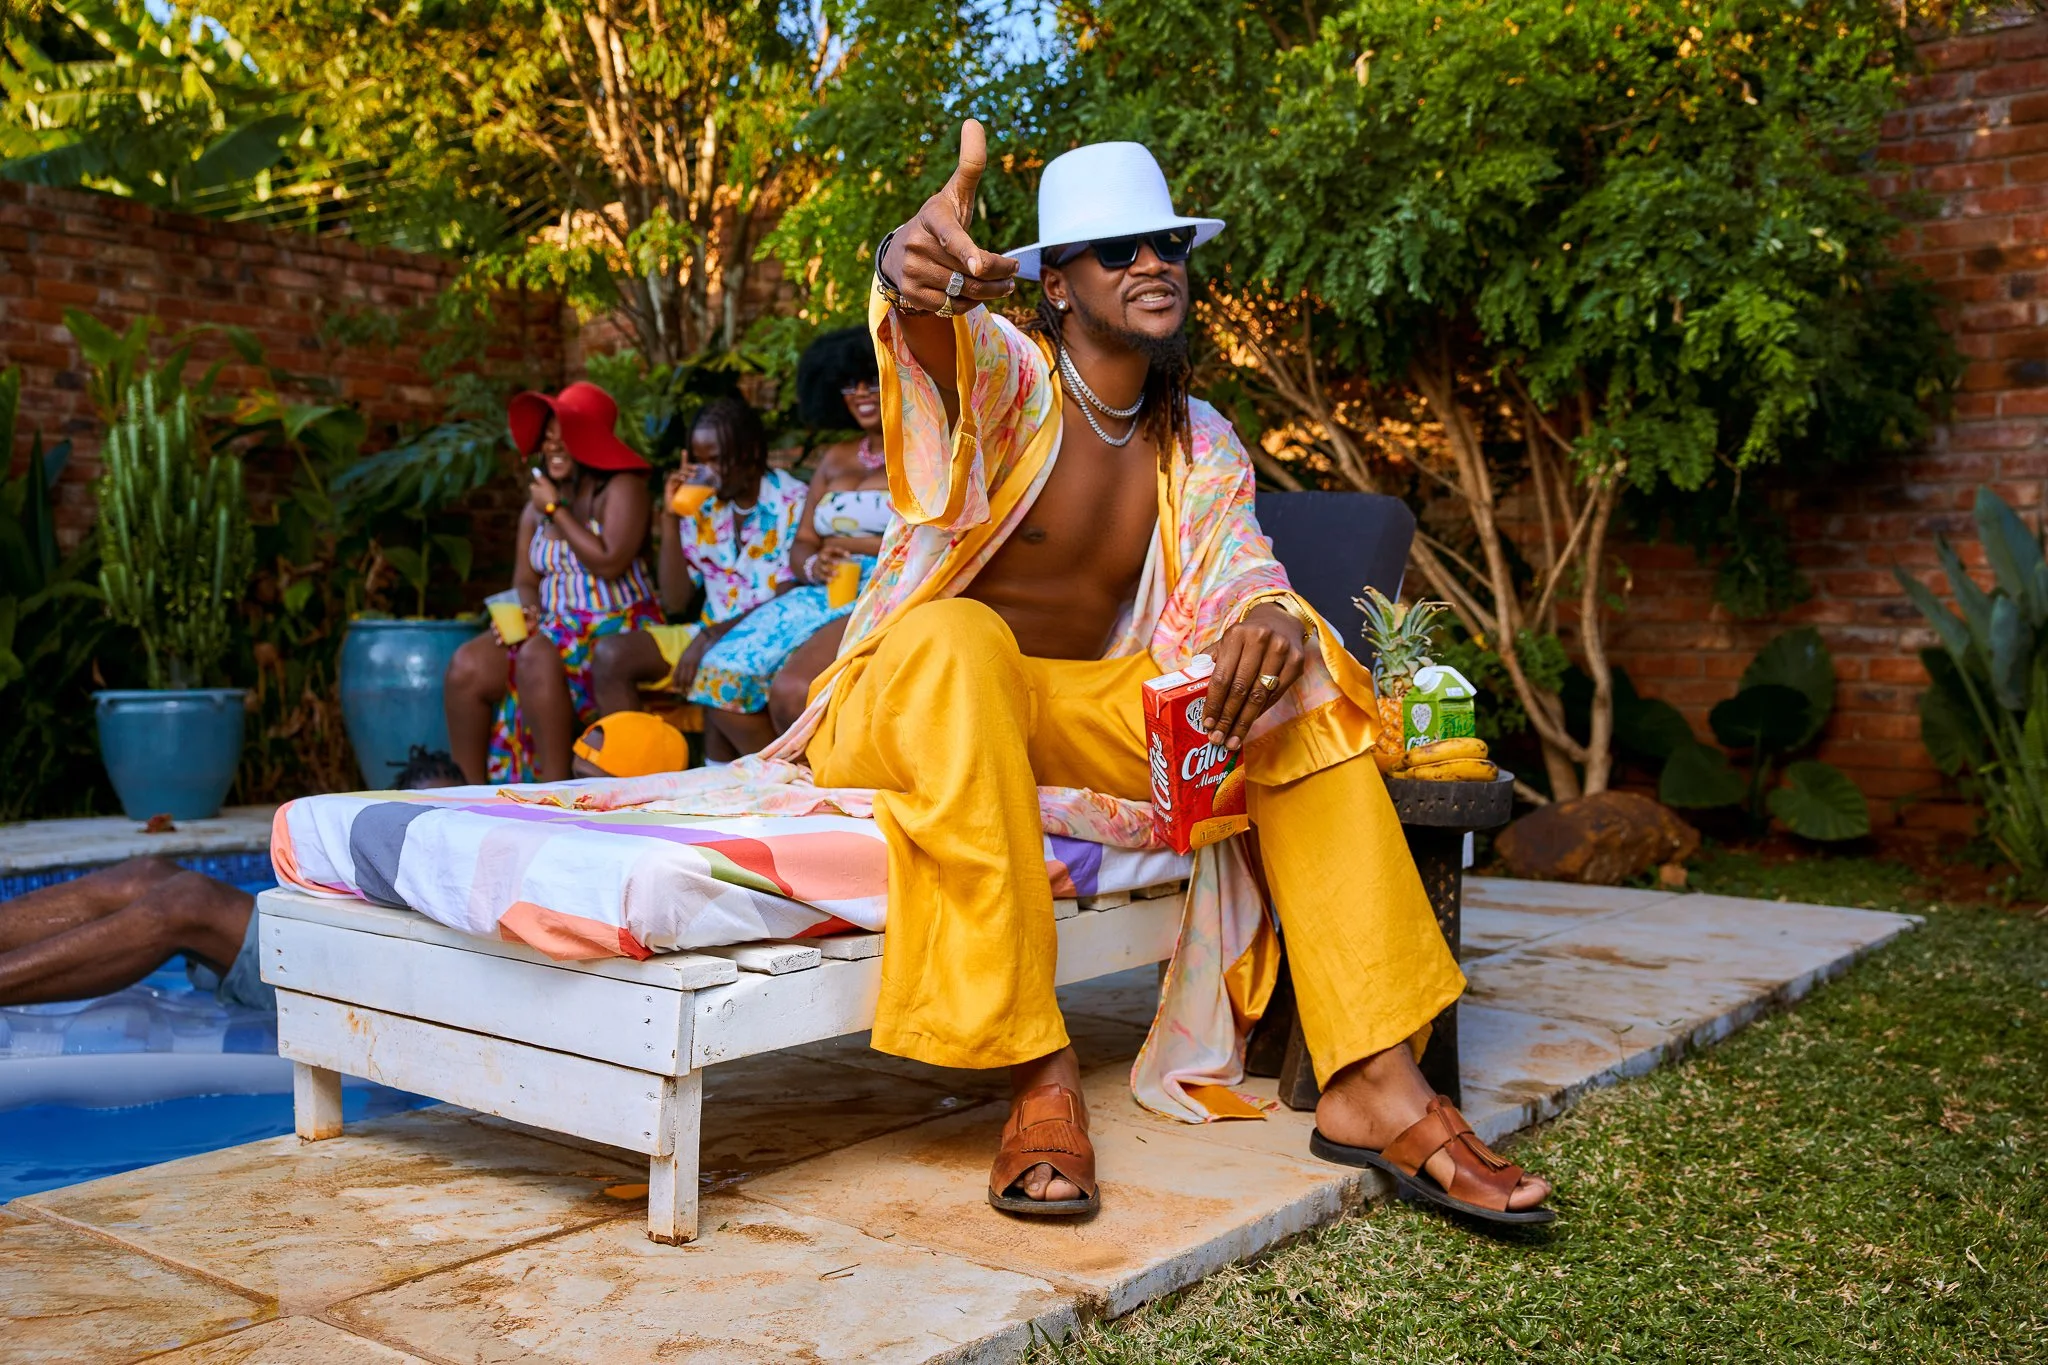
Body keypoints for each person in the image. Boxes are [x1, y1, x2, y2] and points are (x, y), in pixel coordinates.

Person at [777, 125, 1554, 1225]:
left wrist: (1273, 617)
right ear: (1053, 286)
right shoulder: (1010, 373)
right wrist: (907, 274)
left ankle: (1374, 1084)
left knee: (1297, 686)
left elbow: (1242, 568)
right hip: (909, 704)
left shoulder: (1197, 439)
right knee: (961, 639)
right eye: (1114, 250)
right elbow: (930, 338)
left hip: (1059, 712)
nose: (1151, 264)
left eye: (1166, 245)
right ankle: (1035, 1074)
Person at [0, 748, 465, 1009]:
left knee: (188, 903)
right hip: (337, 943)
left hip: (362, 980)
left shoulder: (490, 862)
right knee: (144, 874)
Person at [443, 381, 657, 784]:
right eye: (547, 437)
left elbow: (609, 562)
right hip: (553, 626)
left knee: (535, 655)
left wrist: (556, 509)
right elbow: (525, 579)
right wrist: (527, 612)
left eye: (565, 436)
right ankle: (468, 799)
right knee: (466, 666)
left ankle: (554, 790)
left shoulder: (623, 488)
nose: (552, 445)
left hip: (615, 625)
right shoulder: (535, 508)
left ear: (593, 440)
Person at [588, 398, 808, 761]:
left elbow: (788, 601)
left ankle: (738, 777)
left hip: (772, 640)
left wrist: (711, 638)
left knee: (716, 666)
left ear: (750, 452)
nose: (707, 472)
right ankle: (630, 773)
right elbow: (675, 601)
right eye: (700, 461)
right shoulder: (703, 505)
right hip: (707, 634)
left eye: (716, 460)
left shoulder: (793, 501)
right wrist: (671, 518)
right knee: (612, 655)